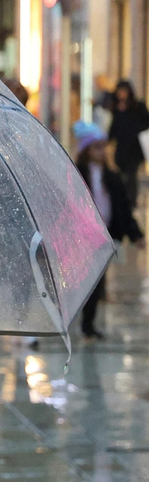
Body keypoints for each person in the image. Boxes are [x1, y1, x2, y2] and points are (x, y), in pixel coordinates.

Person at [74, 121, 145, 339]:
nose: (102, 151)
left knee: (96, 282)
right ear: (86, 150)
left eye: (104, 146)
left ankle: (88, 324)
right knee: (81, 281)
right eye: (97, 147)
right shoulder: (77, 174)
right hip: (81, 236)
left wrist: (136, 235)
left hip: (103, 236)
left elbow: (123, 207)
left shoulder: (111, 177)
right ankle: (78, 318)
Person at [108, 80, 149, 208]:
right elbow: (114, 128)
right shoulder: (117, 108)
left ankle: (131, 201)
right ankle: (124, 200)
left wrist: (135, 129)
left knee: (132, 175)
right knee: (122, 174)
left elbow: (146, 122)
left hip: (135, 149)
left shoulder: (138, 106)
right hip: (122, 147)